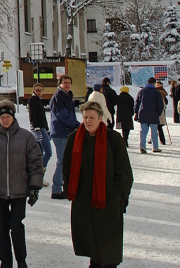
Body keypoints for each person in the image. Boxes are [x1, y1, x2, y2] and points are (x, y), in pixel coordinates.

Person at [63, 100, 133, 268]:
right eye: (85, 117)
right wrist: (72, 191)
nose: (88, 121)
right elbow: (67, 169)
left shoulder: (113, 139)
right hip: (84, 203)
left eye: (92, 117)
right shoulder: (75, 138)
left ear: (101, 118)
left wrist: (118, 195)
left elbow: (124, 172)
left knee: (109, 253)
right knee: (92, 249)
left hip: (108, 202)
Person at [0, 100, 44, 268]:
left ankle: (21, 261)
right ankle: (5, 262)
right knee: (2, 229)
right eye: (2, 117)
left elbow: (35, 163)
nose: (5, 120)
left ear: (13, 117)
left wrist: (35, 187)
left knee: (16, 226)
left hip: (19, 190)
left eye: (7, 117)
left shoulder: (26, 137)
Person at [49, 74, 79, 199]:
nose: (67, 84)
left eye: (69, 82)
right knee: (62, 161)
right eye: (64, 82)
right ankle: (56, 190)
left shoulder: (67, 96)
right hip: (61, 133)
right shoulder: (58, 97)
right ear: (60, 84)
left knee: (67, 161)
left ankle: (64, 186)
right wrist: (77, 125)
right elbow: (62, 116)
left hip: (66, 132)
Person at [27, 83, 53, 180]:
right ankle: (39, 174)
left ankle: (37, 177)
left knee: (40, 152)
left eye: (40, 90)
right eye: (37, 90)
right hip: (38, 129)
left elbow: (42, 117)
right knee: (48, 152)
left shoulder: (39, 101)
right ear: (33, 91)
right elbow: (32, 116)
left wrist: (47, 129)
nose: (39, 92)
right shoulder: (33, 101)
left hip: (42, 128)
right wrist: (36, 128)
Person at [133, 77, 164, 154]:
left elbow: (137, 102)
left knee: (143, 132)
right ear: (154, 83)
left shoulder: (142, 91)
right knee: (154, 132)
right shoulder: (156, 92)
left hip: (143, 114)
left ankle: (142, 146)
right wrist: (159, 113)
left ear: (148, 82)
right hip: (153, 114)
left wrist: (136, 112)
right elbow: (160, 104)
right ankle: (155, 147)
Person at [154, 81, 169, 145]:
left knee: (157, 126)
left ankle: (161, 140)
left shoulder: (162, 90)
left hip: (160, 108)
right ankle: (154, 139)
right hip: (158, 109)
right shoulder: (154, 91)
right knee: (156, 126)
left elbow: (166, 95)